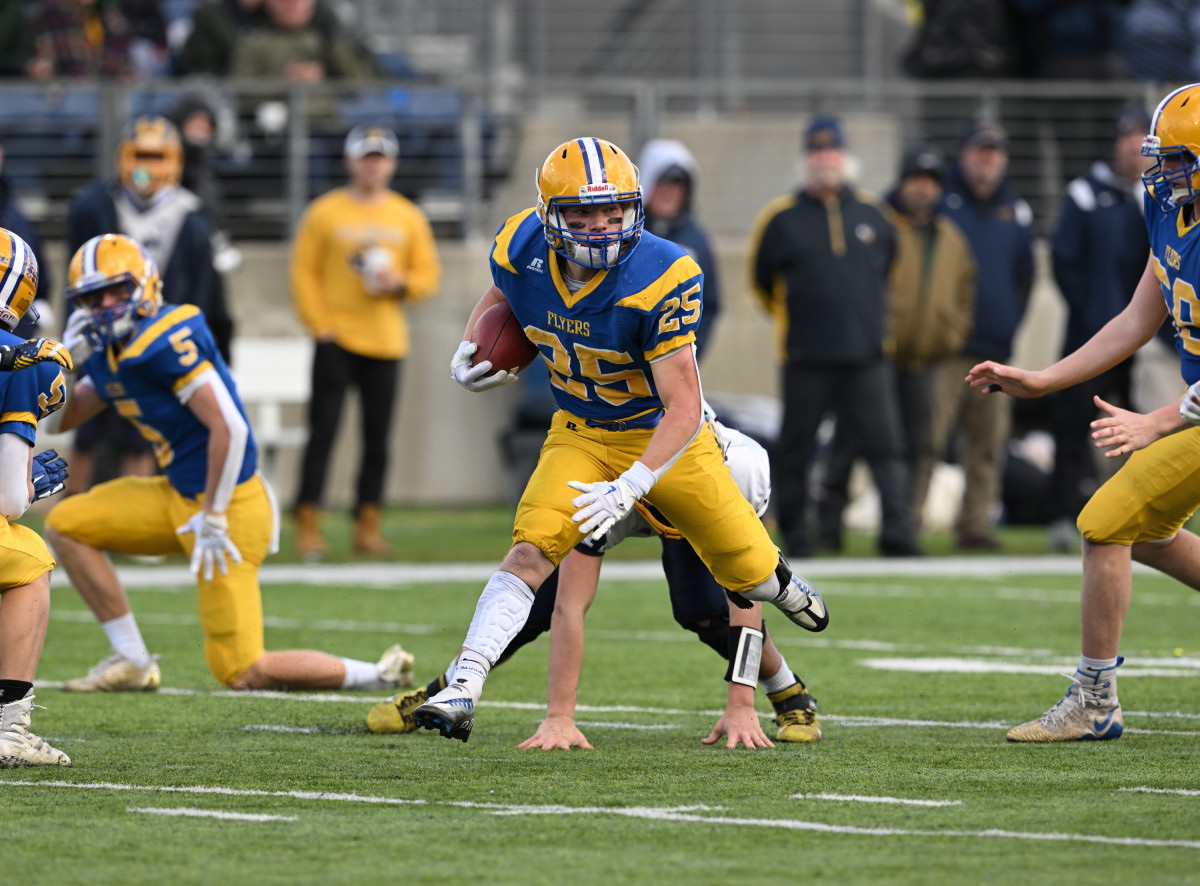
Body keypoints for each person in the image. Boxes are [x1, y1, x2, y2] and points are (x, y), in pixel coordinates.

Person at [412, 136, 829, 743]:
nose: (601, 229)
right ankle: (455, 690)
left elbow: (684, 410)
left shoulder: (664, 273)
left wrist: (740, 707)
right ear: (550, 215)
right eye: (581, 215)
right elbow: (507, 292)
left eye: (612, 213)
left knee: (713, 604)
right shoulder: (523, 243)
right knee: (537, 569)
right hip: (584, 437)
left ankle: (784, 682)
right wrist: (474, 343)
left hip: (666, 447)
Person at [43, 233, 414, 694]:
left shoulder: (164, 338)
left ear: (145, 285)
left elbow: (231, 428)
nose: (105, 305)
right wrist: (66, 365)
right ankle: (132, 660)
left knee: (241, 670)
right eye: (93, 297)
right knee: (67, 524)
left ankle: (377, 674)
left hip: (228, 509)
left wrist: (214, 514)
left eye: (116, 290)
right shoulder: (109, 353)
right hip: (178, 495)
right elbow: (61, 421)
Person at [965, 82, 1200, 742]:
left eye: (1179, 159)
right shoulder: (1165, 203)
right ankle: (1096, 697)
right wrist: (1044, 378)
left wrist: (1156, 421)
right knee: (1123, 524)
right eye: (1163, 158)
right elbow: (1134, 319)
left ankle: (1095, 697)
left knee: (1108, 521)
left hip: (1191, 413)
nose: (1163, 172)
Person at [369, 420, 821, 747]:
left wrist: (741, 703)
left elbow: (745, 596)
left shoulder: (739, 469)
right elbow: (570, 607)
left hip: (699, 506)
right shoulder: (603, 480)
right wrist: (558, 718)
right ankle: (444, 691)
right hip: (624, 493)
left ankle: (787, 690)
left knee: (702, 609)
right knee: (535, 605)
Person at [749, 114, 920, 558]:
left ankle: (898, 534)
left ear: (845, 157)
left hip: (867, 355)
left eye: (832, 151)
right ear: (806, 159)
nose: (825, 160)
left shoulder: (873, 215)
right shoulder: (780, 218)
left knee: (887, 447)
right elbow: (761, 283)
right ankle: (797, 536)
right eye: (817, 152)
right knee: (797, 448)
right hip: (806, 356)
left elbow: (891, 271)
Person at [290, 125, 441, 559]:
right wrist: (319, 325)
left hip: (386, 341)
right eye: (365, 157)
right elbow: (304, 272)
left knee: (378, 440)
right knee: (323, 434)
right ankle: (307, 522)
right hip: (335, 337)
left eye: (380, 158)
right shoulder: (325, 212)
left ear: (391, 164)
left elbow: (427, 274)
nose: (373, 166)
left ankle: (367, 524)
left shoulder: (407, 215)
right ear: (350, 161)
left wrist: (401, 283)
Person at [818, 142, 976, 540]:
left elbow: (965, 290)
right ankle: (827, 527)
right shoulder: (877, 224)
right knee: (853, 442)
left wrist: (950, 334)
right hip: (877, 356)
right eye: (915, 180)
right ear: (902, 182)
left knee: (918, 445)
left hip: (925, 359)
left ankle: (905, 525)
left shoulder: (950, 237)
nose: (923, 189)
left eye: (930, 181)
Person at [65, 115, 217, 493]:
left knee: (143, 431)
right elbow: (76, 278)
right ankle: (66, 504)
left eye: (157, 156)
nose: (147, 167)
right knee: (86, 431)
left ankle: (132, 522)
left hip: (156, 336)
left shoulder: (193, 216)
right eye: (140, 155)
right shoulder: (92, 205)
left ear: (176, 160)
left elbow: (202, 290)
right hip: (101, 334)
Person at [917, 116, 1034, 550]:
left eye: (995, 153)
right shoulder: (942, 204)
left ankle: (975, 525)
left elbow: (1025, 277)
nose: (988, 161)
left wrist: (1006, 324)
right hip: (948, 350)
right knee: (928, 438)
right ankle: (909, 522)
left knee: (987, 446)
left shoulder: (1015, 211)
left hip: (996, 351)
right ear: (964, 155)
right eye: (981, 151)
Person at [1045, 106, 1159, 553]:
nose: (1135, 145)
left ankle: (1135, 516)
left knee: (1143, 429)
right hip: (1095, 336)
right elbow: (1064, 262)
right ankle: (1061, 515)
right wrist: (1095, 317)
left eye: (1142, 137)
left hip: (1146, 340)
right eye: (1128, 135)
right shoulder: (1085, 194)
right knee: (1073, 426)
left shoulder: (1156, 197)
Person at [0, 228, 76, 768]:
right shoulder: (24, 364)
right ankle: (8, 727)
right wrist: (35, 486)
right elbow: (8, 501)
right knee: (28, 558)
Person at [636, 139, 722, 357]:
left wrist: (690, 354)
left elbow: (709, 305)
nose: (669, 191)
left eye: (677, 184)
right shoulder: (625, 234)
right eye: (663, 182)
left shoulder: (697, 241)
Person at [25, 0, 134, 80]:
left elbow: (120, 65)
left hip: (105, 100)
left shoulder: (110, 17)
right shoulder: (49, 15)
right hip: (64, 99)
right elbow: (56, 62)